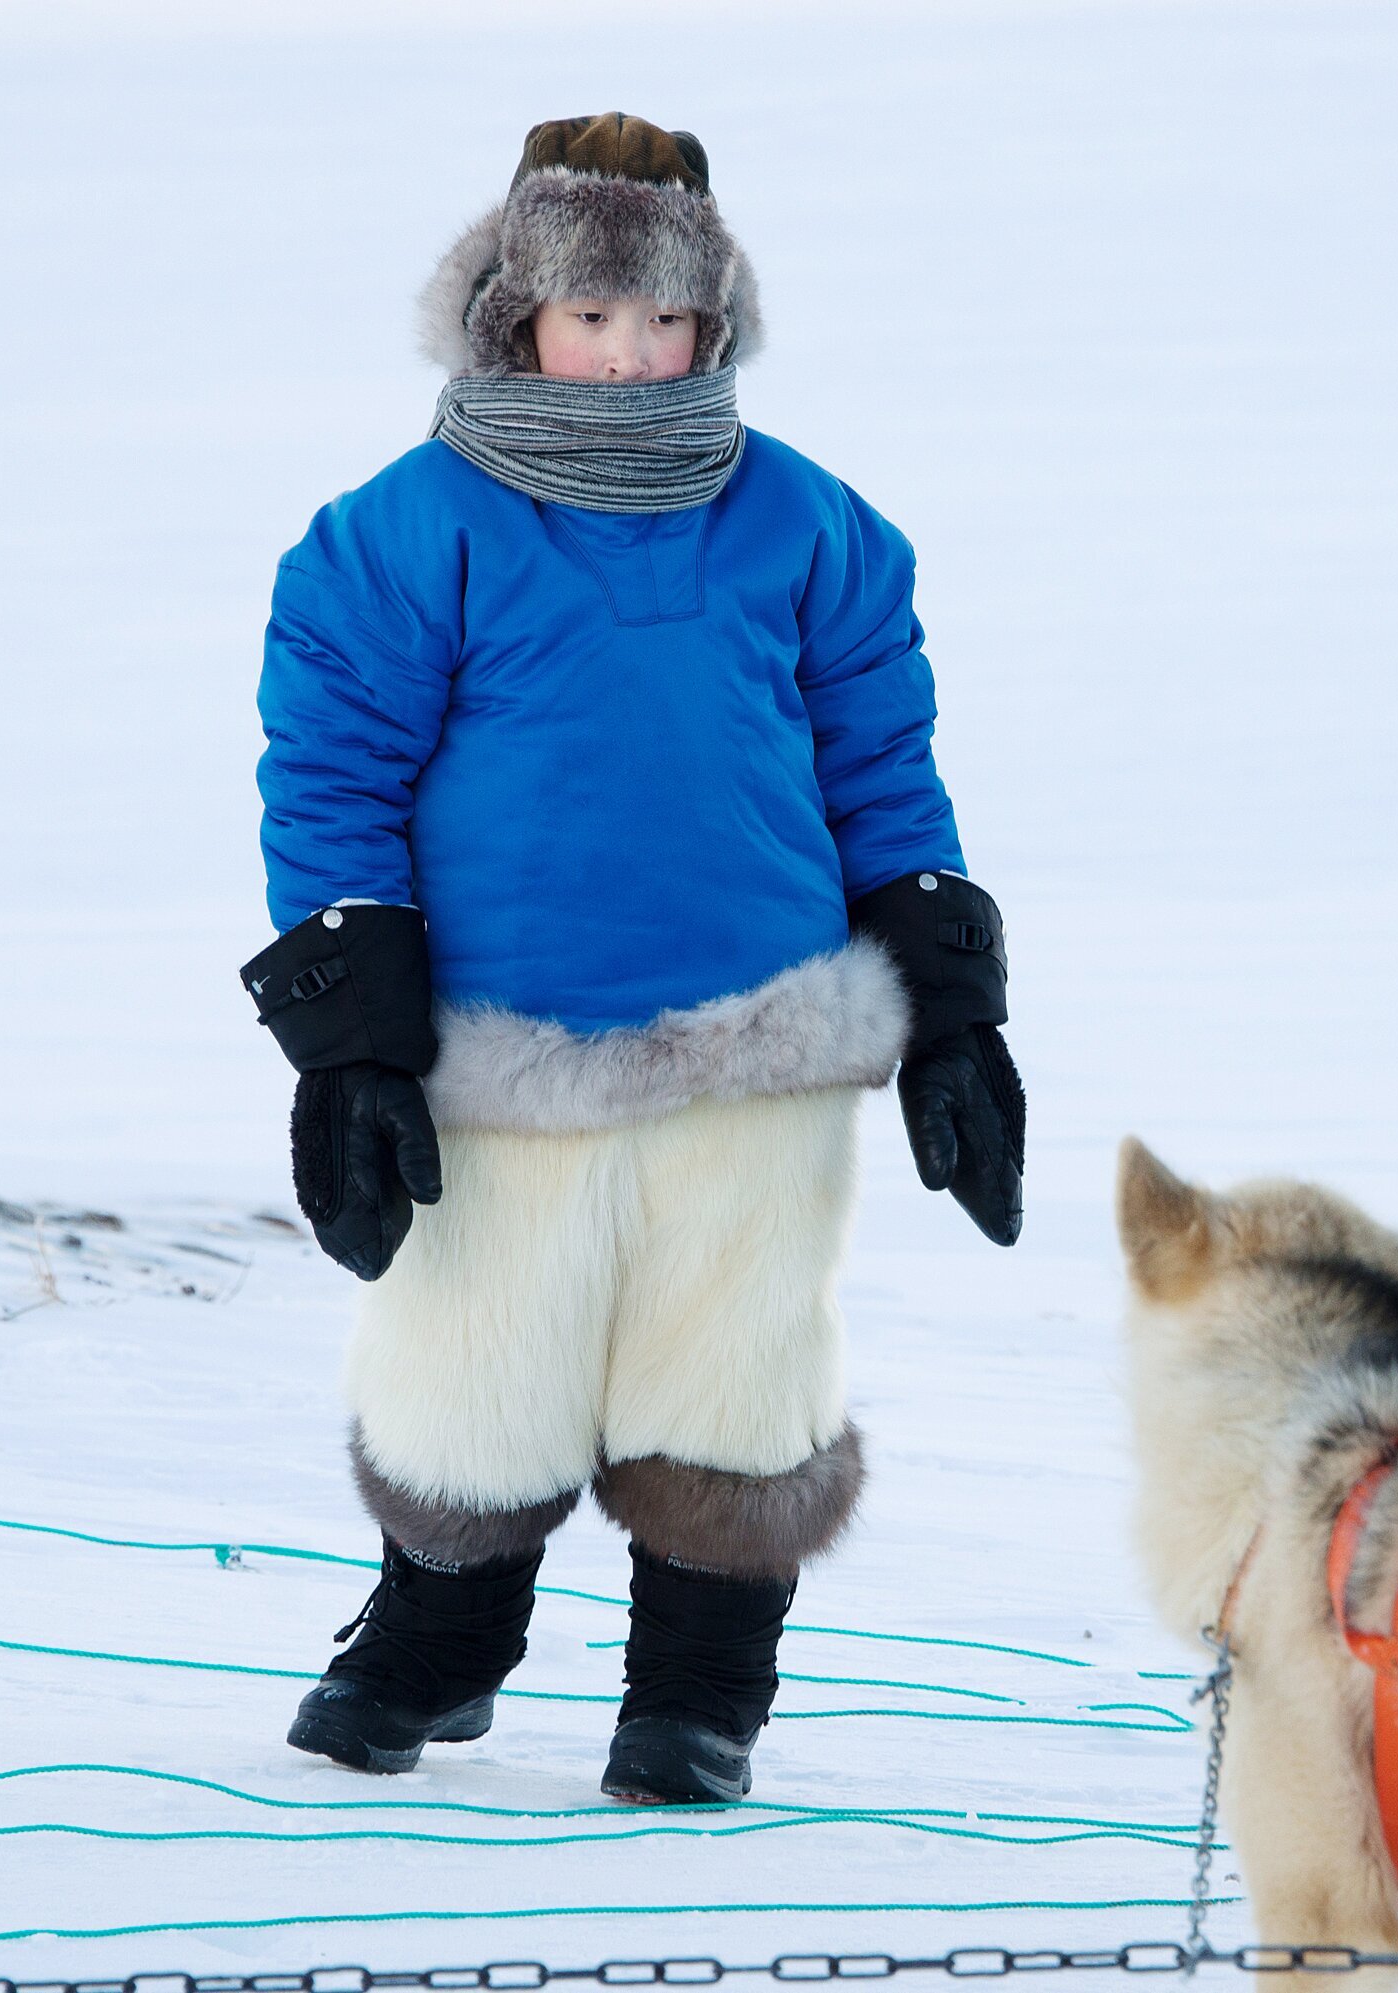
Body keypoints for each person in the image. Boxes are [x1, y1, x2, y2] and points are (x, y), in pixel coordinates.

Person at [238, 113, 1024, 1805]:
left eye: (666, 321)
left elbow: (885, 769)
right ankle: (440, 1644)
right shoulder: (405, 533)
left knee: (731, 1369)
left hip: (762, 1036)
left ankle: (696, 1691)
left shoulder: (810, 526)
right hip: (502, 1043)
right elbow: (333, 775)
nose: (629, 355)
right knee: (478, 1359)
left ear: (714, 323)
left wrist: (953, 1013)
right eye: (594, 318)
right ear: (517, 315)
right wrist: (356, 1044)